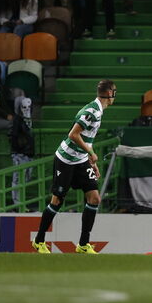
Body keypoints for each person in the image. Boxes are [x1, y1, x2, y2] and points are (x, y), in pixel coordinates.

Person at [32, 79, 118, 254]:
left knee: (94, 198)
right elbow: (73, 134)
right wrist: (91, 153)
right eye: (114, 92)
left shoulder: (98, 111)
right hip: (65, 159)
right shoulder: (91, 111)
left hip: (80, 160)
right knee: (57, 201)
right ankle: (39, 240)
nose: (115, 96)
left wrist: (91, 161)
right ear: (109, 94)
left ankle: (83, 244)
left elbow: (87, 138)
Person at [9, 95, 35, 207]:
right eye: (24, 107)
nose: (27, 109)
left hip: (28, 153)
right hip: (20, 154)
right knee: (18, 179)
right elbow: (14, 136)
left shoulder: (28, 120)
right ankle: (17, 204)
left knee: (26, 178)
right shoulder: (18, 120)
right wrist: (18, 149)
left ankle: (20, 203)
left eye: (29, 106)